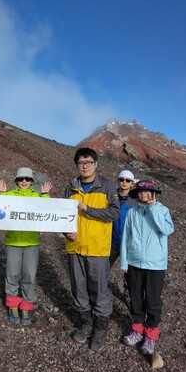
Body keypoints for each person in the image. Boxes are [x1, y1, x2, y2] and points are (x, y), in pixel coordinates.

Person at [64, 148, 120, 352]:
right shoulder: (70, 188)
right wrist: (66, 233)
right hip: (75, 247)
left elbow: (113, 213)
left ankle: (100, 328)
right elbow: (62, 216)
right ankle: (86, 323)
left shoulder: (106, 187)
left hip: (98, 248)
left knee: (99, 289)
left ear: (96, 164)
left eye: (88, 162)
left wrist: (88, 209)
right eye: (81, 162)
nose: (85, 165)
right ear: (77, 165)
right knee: (78, 287)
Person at [120, 180, 174, 355]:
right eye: (141, 191)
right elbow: (125, 237)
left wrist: (152, 209)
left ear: (153, 193)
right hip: (134, 263)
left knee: (153, 300)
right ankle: (137, 329)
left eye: (147, 191)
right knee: (135, 298)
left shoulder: (162, 210)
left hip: (155, 264)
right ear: (137, 194)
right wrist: (124, 262)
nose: (143, 193)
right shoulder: (131, 213)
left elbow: (166, 230)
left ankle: (150, 335)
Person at [0, 168, 52, 326]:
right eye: (21, 179)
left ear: (32, 181)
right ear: (16, 181)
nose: (24, 182)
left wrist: (45, 195)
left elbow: (47, 211)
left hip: (31, 242)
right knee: (12, 274)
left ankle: (26, 305)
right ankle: (13, 304)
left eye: (27, 179)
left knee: (29, 275)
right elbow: (0, 208)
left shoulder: (37, 197)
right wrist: (2, 193)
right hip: (13, 242)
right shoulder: (10, 195)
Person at [109, 170, 136, 308]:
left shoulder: (136, 200)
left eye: (127, 180)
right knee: (103, 268)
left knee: (130, 273)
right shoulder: (110, 197)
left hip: (129, 244)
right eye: (121, 179)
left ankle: (129, 293)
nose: (124, 182)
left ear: (132, 183)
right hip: (111, 241)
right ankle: (99, 291)